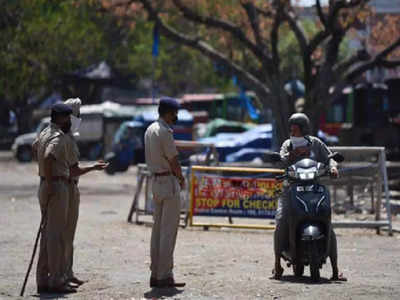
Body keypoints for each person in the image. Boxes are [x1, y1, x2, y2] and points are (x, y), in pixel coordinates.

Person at [272, 113, 346, 281]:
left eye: (295, 129)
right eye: (291, 129)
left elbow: (330, 157)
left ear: (304, 129)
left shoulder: (316, 143)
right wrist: (291, 155)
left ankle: (335, 269)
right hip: (291, 189)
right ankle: (277, 264)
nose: (292, 132)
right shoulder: (287, 144)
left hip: (314, 188)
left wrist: (333, 168)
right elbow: (281, 160)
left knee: (327, 220)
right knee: (282, 221)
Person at [63, 98, 108, 289]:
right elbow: (73, 169)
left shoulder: (70, 136)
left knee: (69, 235)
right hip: (63, 188)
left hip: (71, 187)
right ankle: (60, 275)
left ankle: (67, 272)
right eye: (77, 114)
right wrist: (92, 167)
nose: (80, 117)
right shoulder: (62, 137)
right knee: (62, 236)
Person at [144, 97, 186, 288]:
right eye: (174, 112)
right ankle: (165, 275)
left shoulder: (150, 129)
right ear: (169, 113)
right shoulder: (165, 131)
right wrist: (181, 178)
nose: (176, 116)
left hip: (156, 180)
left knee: (157, 230)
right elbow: (174, 161)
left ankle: (155, 273)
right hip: (168, 181)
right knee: (168, 231)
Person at [36, 103, 76, 294]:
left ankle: (43, 279)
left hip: (44, 184)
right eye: (67, 118)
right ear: (60, 118)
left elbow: (35, 147)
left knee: (46, 234)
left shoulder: (44, 132)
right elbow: (49, 156)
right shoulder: (57, 137)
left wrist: (45, 178)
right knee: (56, 236)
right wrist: (52, 184)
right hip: (56, 186)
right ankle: (57, 280)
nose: (69, 121)